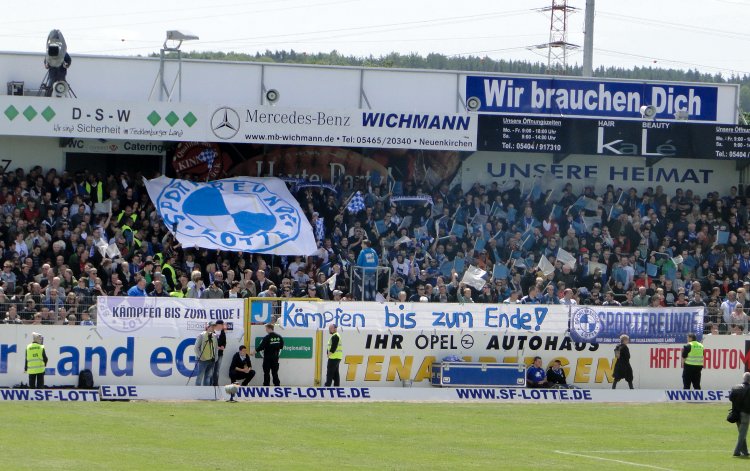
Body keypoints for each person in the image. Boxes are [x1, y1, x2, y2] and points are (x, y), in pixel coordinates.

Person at [729, 372, 750, 457]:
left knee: (742, 432)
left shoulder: (735, 387)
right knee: (743, 434)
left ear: (743, 379)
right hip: (745, 413)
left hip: (736, 414)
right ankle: (736, 451)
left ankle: (745, 452)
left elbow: (730, 398)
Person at [193, 322, 219, 386]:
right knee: (199, 377)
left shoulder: (215, 336)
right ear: (208, 327)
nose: (213, 328)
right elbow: (196, 348)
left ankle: (206, 393)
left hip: (211, 360)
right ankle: (197, 392)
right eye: (212, 326)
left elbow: (215, 348)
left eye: (214, 326)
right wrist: (201, 357)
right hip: (202, 360)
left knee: (207, 377)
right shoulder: (201, 335)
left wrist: (215, 358)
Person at [211, 320, 226, 386]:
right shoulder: (212, 331)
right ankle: (210, 384)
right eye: (222, 325)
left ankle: (215, 384)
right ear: (218, 325)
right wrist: (217, 347)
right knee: (211, 369)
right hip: (212, 354)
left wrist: (223, 346)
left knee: (217, 370)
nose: (223, 326)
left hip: (220, 354)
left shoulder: (222, 332)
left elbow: (224, 342)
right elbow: (210, 343)